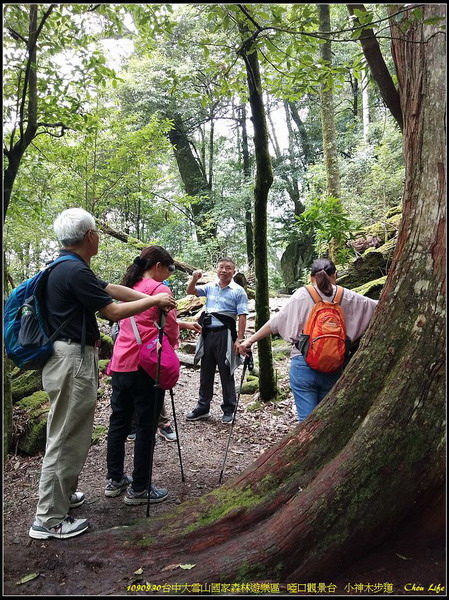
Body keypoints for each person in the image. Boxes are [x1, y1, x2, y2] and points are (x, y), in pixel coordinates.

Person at [29, 209, 176, 541]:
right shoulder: (74, 271)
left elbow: (113, 290)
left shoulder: (67, 266)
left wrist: (155, 298)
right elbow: (112, 310)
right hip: (72, 359)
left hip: (66, 358)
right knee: (67, 438)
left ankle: (61, 497)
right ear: (90, 237)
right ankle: (49, 519)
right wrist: (154, 299)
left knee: (68, 433)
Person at [105, 246, 200, 505]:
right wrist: (173, 343)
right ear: (158, 265)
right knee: (146, 426)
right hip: (146, 365)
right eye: (169, 268)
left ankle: (114, 479)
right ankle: (140, 487)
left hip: (120, 363)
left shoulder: (127, 288)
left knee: (119, 422)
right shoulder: (160, 291)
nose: (168, 273)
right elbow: (168, 328)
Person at [239, 258, 378, 422]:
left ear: (311, 277)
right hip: (333, 366)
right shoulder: (347, 296)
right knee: (325, 422)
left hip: (303, 364)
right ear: (335, 275)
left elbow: (276, 322)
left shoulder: (302, 295)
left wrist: (249, 341)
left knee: (306, 423)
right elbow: (380, 306)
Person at [185, 257, 249, 424]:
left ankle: (229, 409)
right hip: (207, 333)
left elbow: (242, 315)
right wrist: (194, 279)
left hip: (225, 334)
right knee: (206, 372)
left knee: (226, 371)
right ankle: (202, 407)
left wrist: (240, 339)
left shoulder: (238, 291)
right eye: (221, 267)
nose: (224, 270)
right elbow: (190, 291)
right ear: (216, 269)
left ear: (234, 272)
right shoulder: (210, 287)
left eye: (228, 268)